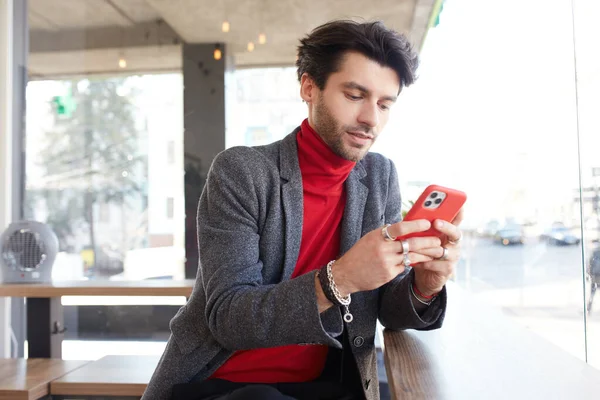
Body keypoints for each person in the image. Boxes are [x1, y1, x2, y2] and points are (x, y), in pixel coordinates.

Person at [142, 19, 464, 400]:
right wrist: (339, 279)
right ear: (309, 87)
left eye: (384, 104)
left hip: (325, 383)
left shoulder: (379, 177)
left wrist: (424, 286)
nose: (371, 119)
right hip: (221, 384)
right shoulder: (242, 172)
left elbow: (385, 308)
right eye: (355, 95)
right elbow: (228, 318)